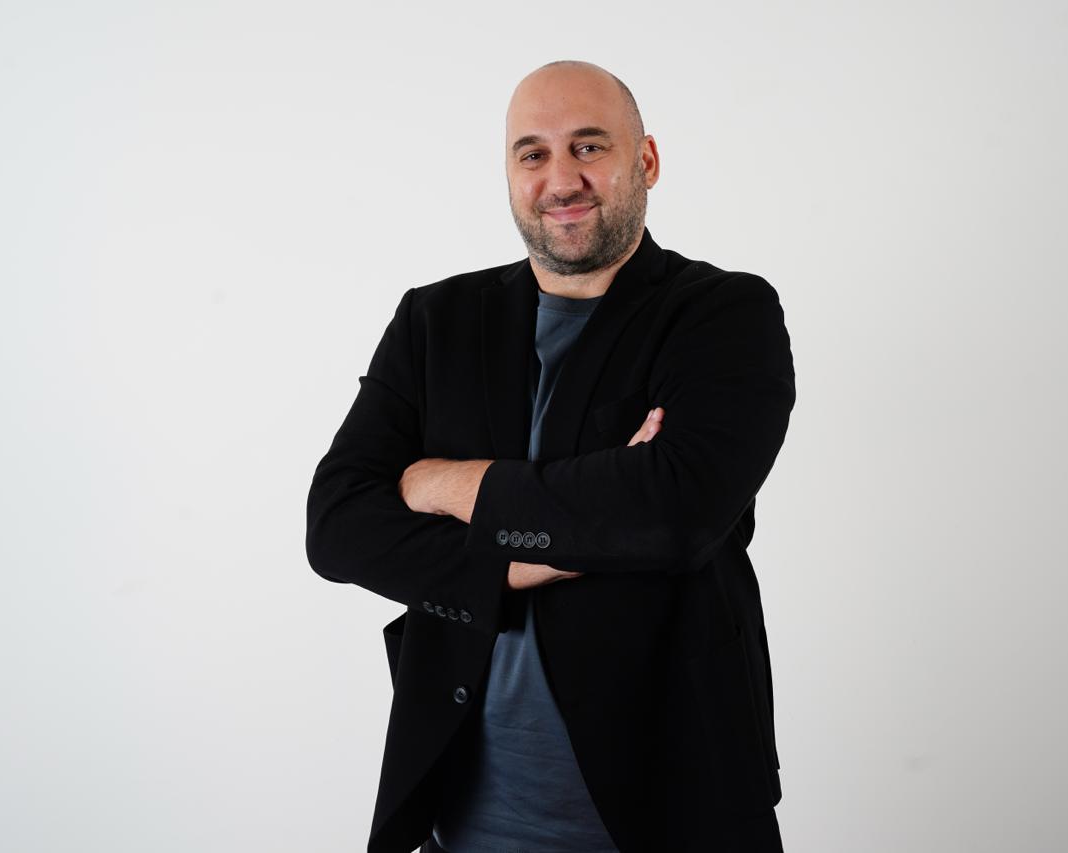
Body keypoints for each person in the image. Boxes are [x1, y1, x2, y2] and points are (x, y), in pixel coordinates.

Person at [306, 59, 796, 853]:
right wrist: (567, 540)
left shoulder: (722, 314)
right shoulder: (434, 322)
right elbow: (336, 527)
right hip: (464, 813)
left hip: (678, 805)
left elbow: (674, 513)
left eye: (589, 146)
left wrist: (441, 482)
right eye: (532, 154)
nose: (561, 179)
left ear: (646, 160)